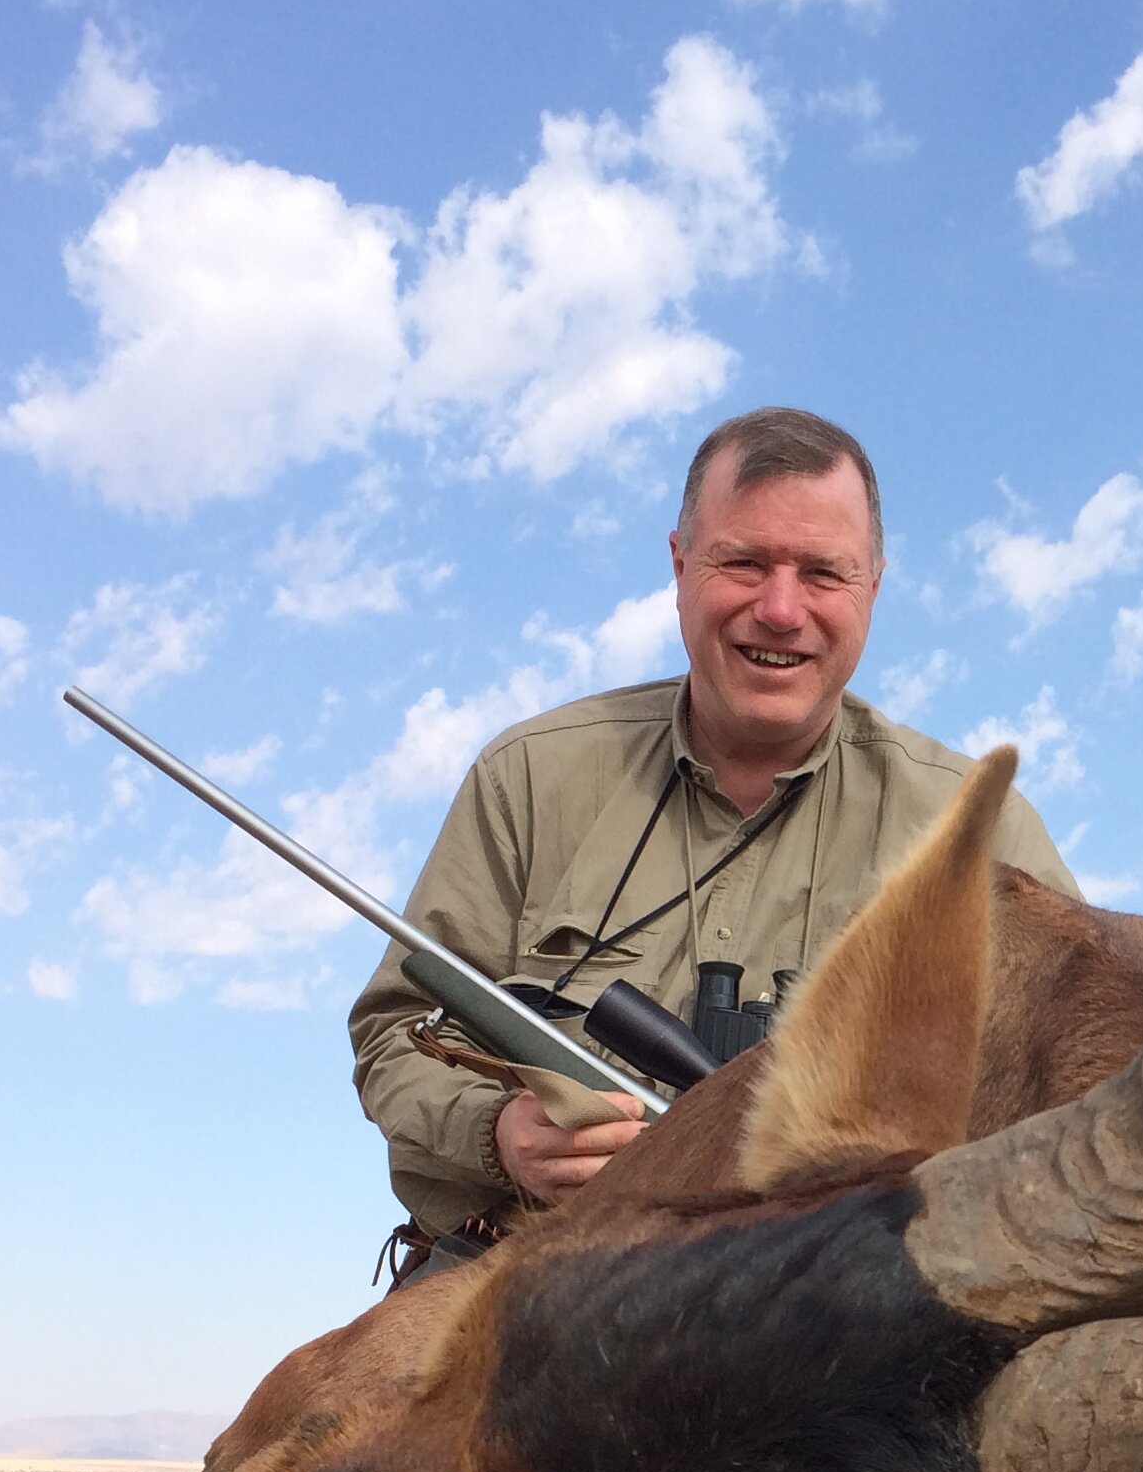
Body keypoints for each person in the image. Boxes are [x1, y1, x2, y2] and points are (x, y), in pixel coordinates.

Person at [348, 407, 1079, 1275]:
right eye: (743, 562)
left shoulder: (980, 829)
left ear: (873, 589)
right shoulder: (531, 777)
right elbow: (394, 1033)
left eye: (822, 574)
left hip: (833, 1315)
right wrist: (496, 1133)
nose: (779, 610)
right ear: (681, 565)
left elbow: (1079, 1106)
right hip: (518, 1279)